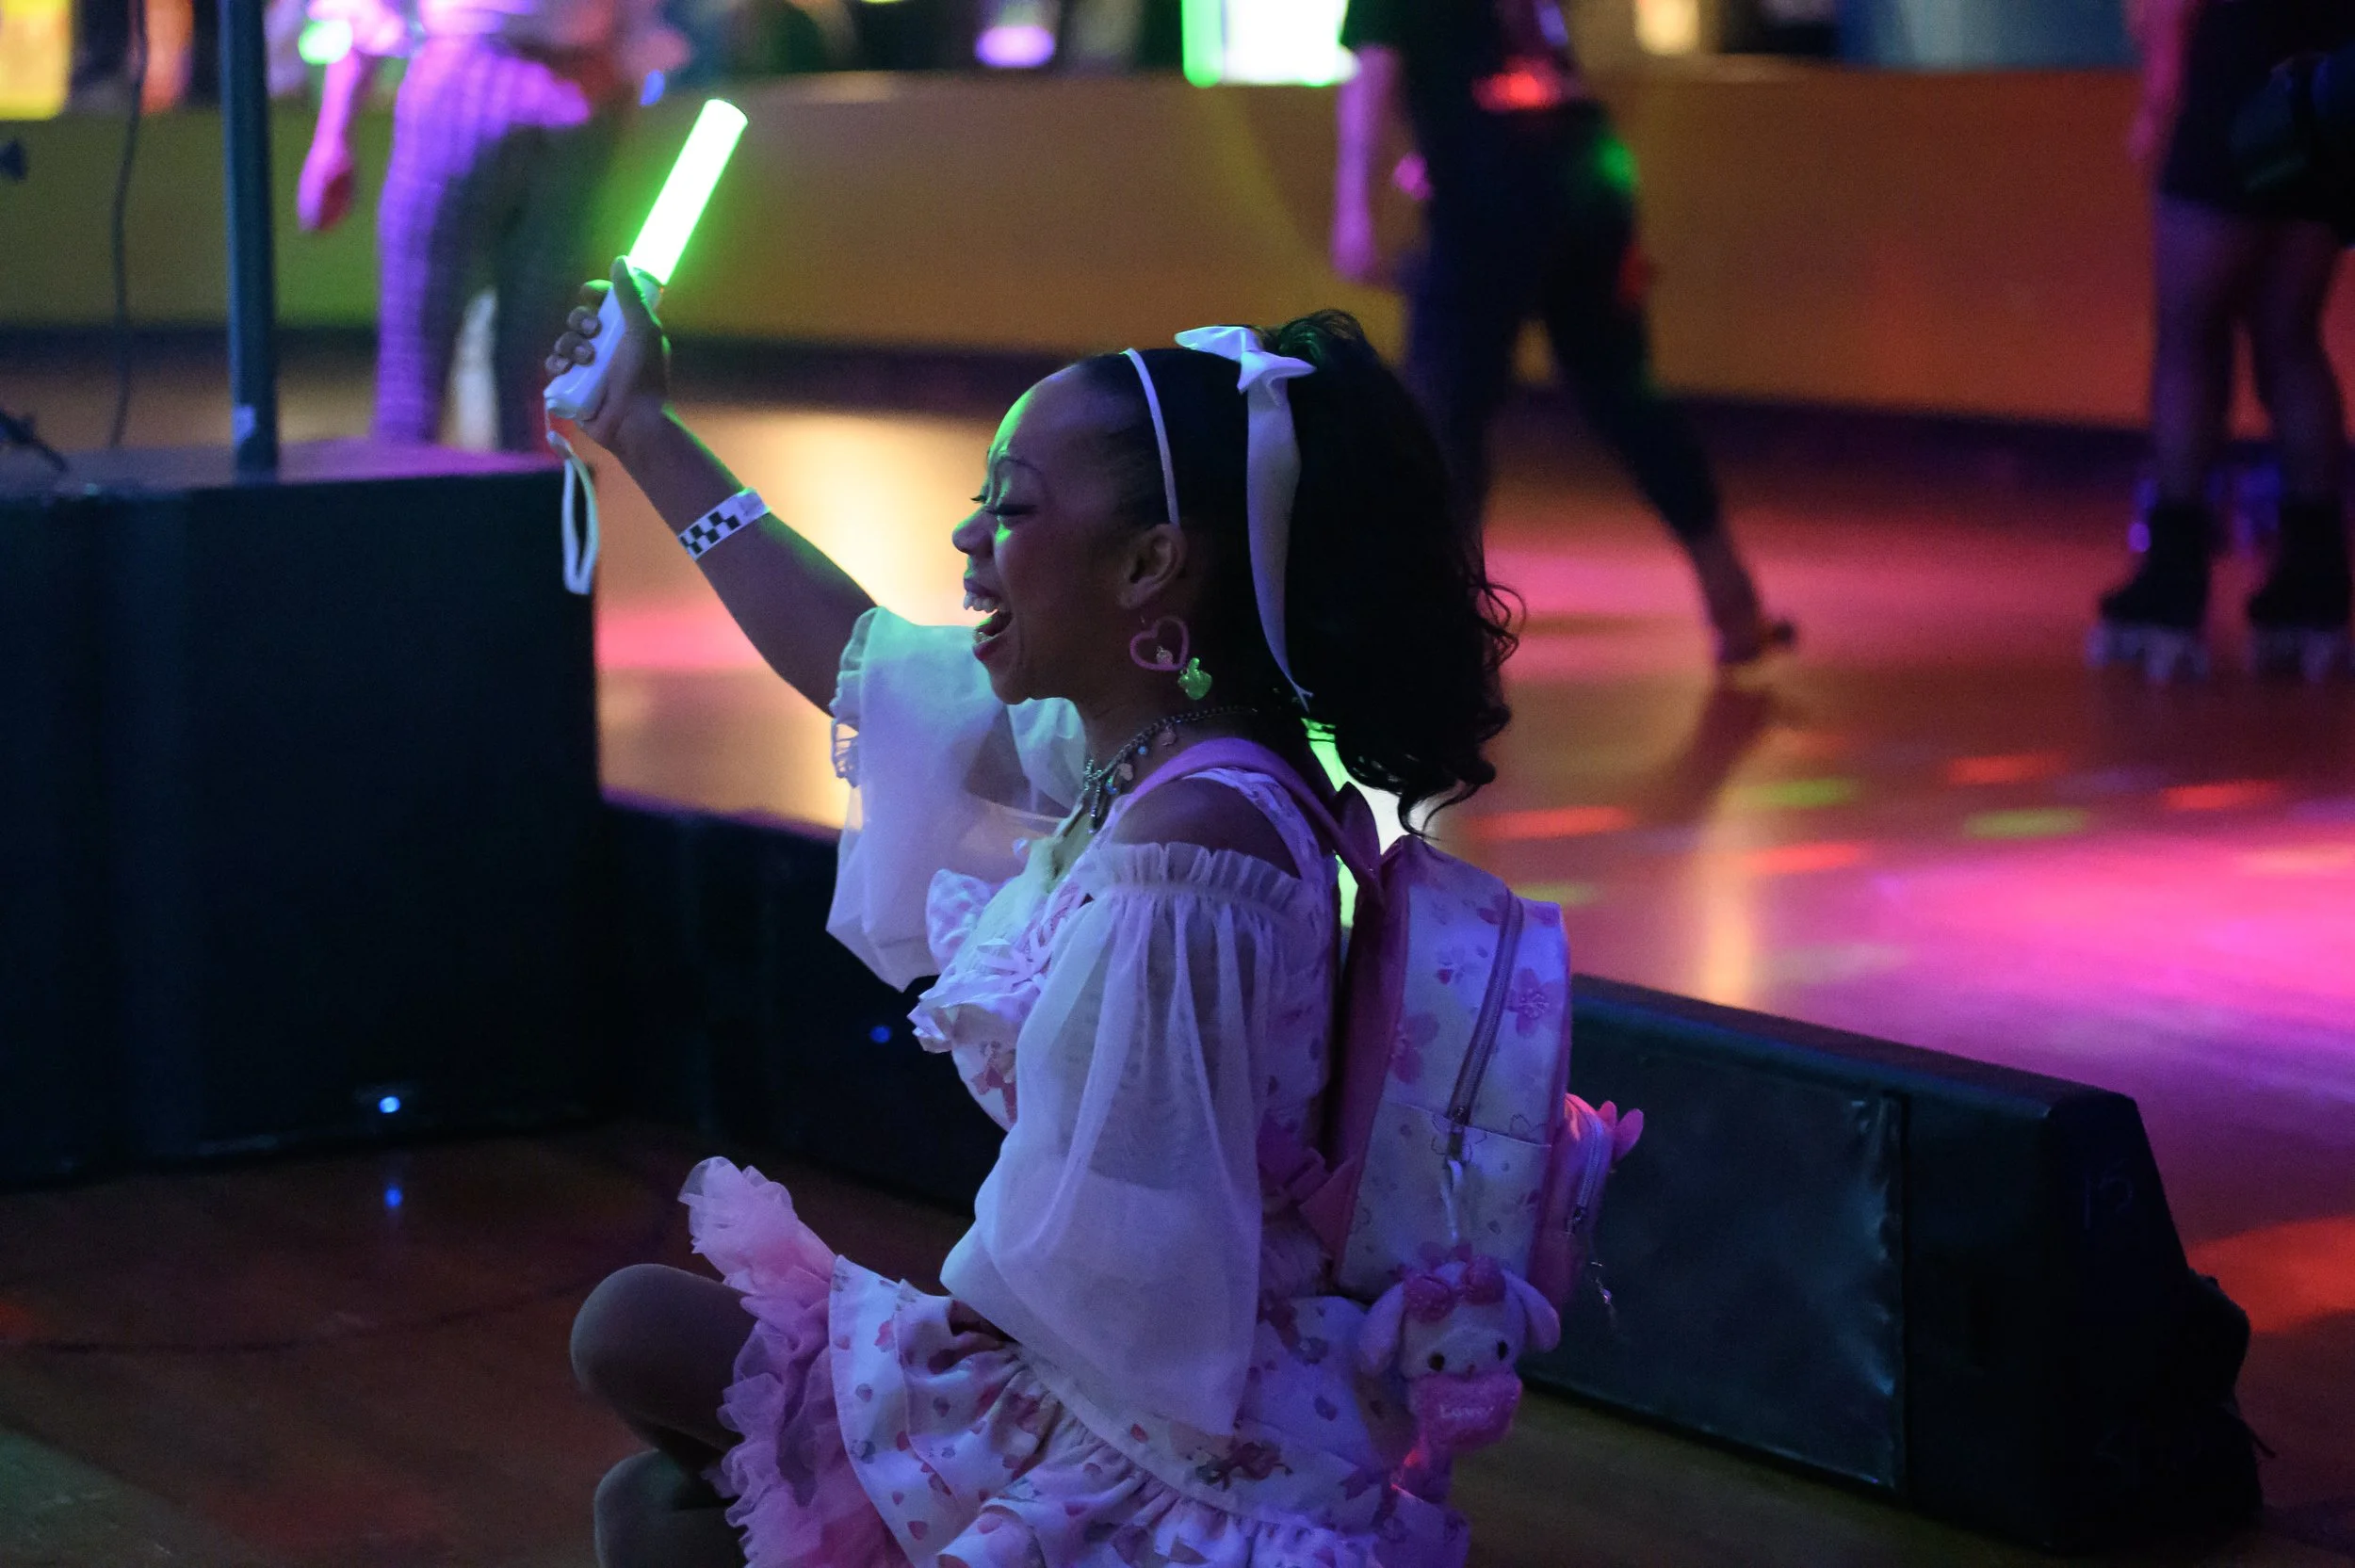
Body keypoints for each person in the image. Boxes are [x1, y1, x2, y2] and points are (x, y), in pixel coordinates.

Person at [556, 263, 1519, 1568]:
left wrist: (918, 1389)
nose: (969, 542)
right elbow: (858, 660)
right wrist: (639, 428)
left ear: (1148, 567)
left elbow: (1139, 1280)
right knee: (650, 1507)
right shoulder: (1157, 747)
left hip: (1161, 1426)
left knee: (633, 1337)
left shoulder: (1193, 854)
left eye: (1009, 510)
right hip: (1132, 1364)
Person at [1329, 0, 1792, 668]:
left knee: (1442, 419)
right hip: (1585, 171)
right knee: (1624, 392)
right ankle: (1735, 604)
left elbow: (1376, 74)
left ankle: (1443, 633)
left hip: (1489, 196)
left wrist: (1356, 210)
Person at [2094, 0, 2355, 681]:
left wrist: (2160, 97)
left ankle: (2173, 585)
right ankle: (2316, 585)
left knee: (2189, 333)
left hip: (2234, 80)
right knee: (2292, 336)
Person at [295, 0, 683, 451]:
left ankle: (423, 510)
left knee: (427, 364)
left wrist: (334, 136)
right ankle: (533, 515)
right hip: (577, 87)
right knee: (541, 377)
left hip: (469, 73)